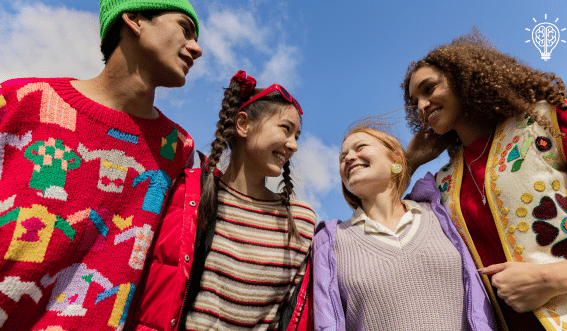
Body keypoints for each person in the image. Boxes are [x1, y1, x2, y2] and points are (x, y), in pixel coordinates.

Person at [0, 0, 202, 329]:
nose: (197, 48)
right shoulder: (21, 102)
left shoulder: (178, 150)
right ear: (135, 18)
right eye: (185, 28)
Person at [403, 29, 567, 330]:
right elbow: (382, 225)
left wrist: (551, 279)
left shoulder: (547, 123)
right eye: (415, 101)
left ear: (464, 78)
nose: (422, 105)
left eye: (429, 88)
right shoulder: (440, 186)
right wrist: (409, 163)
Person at [126, 70, 316, 331]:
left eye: (297, 136)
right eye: (285, 129)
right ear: (243, 124)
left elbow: (291, 316)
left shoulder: (301, 221)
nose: (293, 145)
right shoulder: (190, 194)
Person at [312, 123, 497, 330]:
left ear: (396, 159)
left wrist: (410, 161)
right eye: (342, 157)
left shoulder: (440, 209)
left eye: (360, 147)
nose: (348, 158)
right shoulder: (331, 242)